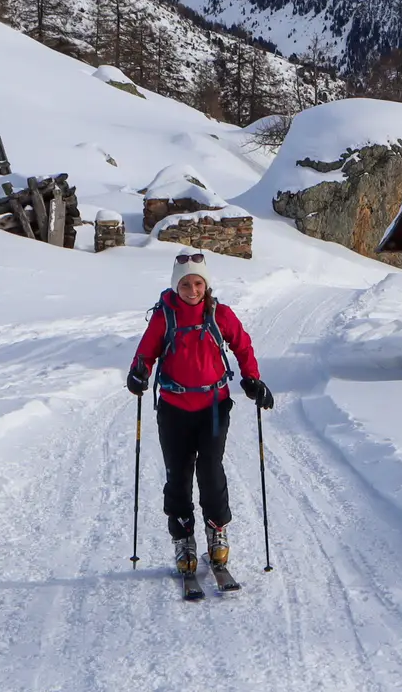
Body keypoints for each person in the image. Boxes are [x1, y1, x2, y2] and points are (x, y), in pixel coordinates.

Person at [126, 249, 274, 585]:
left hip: (213, 407)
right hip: (174, 409)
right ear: (176, 286)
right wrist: (138, 373)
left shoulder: (219, 314)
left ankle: (217, 531)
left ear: (206, 285)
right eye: (185, 285)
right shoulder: (165, 317)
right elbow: (146, 351)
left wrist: (252, 378)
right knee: (177, 475)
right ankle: (183, 540)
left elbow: (242, 344)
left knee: (210, 470)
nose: (192, 290)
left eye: (198, 283)